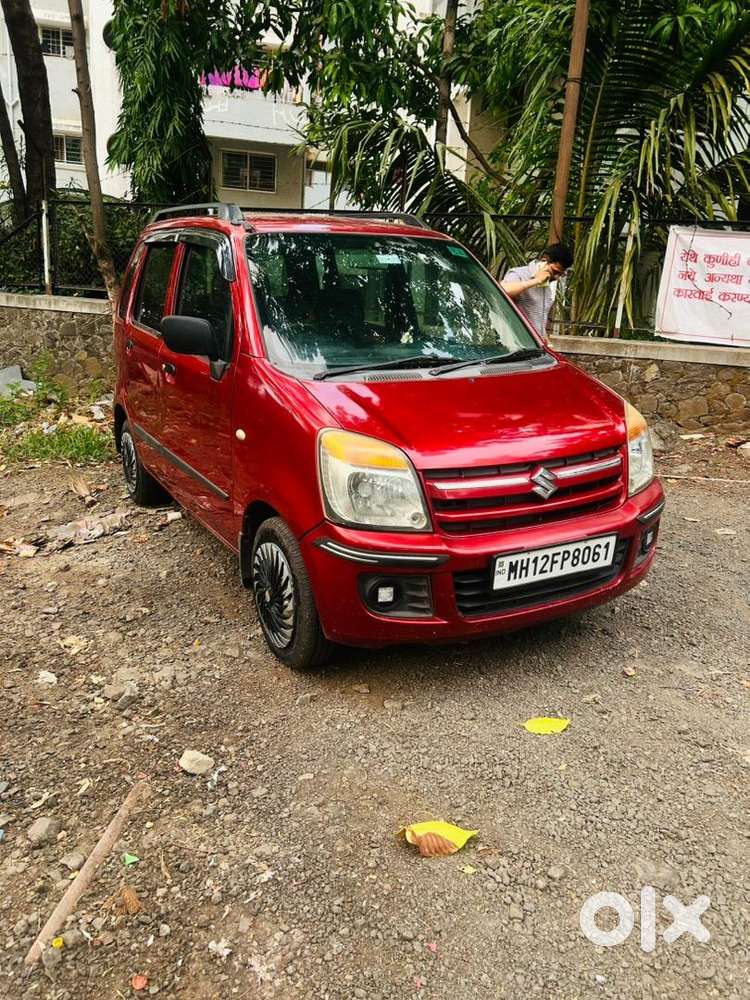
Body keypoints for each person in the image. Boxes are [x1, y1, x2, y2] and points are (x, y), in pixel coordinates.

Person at [501, 243, 573, 338]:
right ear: (544, 260)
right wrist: (535, 281)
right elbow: (503, 290)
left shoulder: (546, 288)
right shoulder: (519, 274)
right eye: (555, 272)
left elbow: (539, 323)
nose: (557, 277)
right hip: (515, 343)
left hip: (534, 347)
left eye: (560, 274)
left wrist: (546, 342)